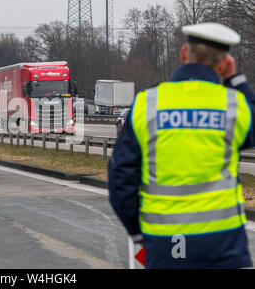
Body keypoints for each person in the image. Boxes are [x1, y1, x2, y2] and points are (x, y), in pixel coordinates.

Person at [108, 22, 255, 269]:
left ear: (183, 55)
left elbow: (120, 179)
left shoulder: (147, 104)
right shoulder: (234, 105)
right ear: (224, 63)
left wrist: (138, 233)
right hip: (223, 243)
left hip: (166, 243)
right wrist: (236, 80)